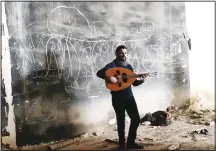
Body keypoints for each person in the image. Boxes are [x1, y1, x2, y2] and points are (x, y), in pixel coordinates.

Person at [96, 45, 146, 149]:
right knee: (121, 121)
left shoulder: (129, 67)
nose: (124, 55)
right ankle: (122, 145)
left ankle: (131, 142)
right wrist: (109, 77)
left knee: (136, 119)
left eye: (126, 53)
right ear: (117, 54)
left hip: (129, 97)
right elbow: (99, 73)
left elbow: (134, 83)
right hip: (117, 98)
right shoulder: (112, 65)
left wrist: (141, 80)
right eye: (121, 53)